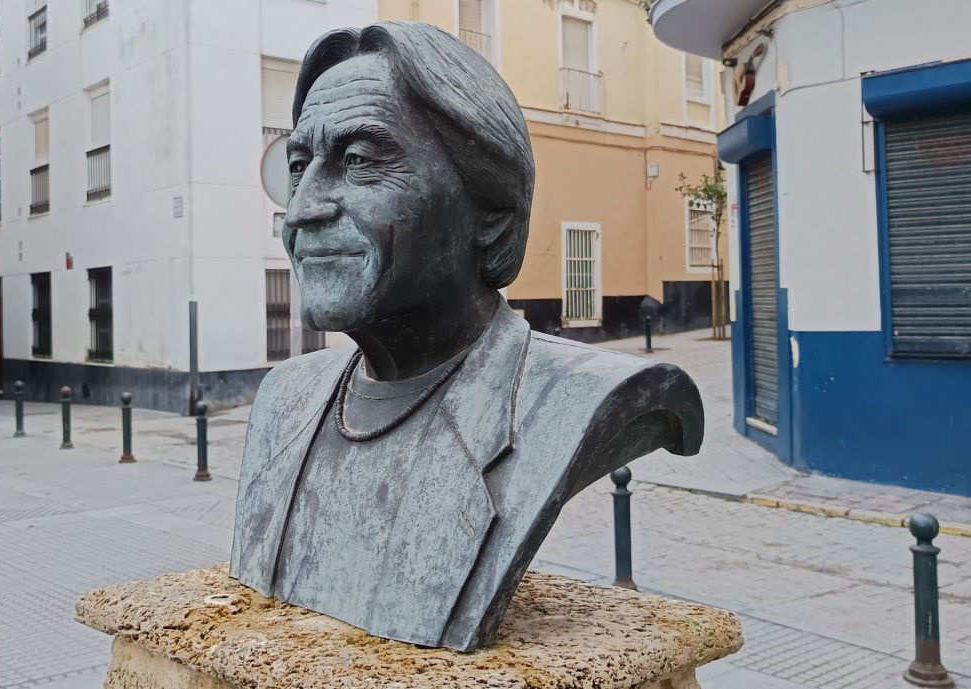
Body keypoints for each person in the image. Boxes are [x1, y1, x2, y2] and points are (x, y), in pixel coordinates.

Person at [230, 21, 703, 652]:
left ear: (492, 216)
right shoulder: (282, 402)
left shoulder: (577, 401)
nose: (302, 209)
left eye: (361, 160)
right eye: (298, 165)